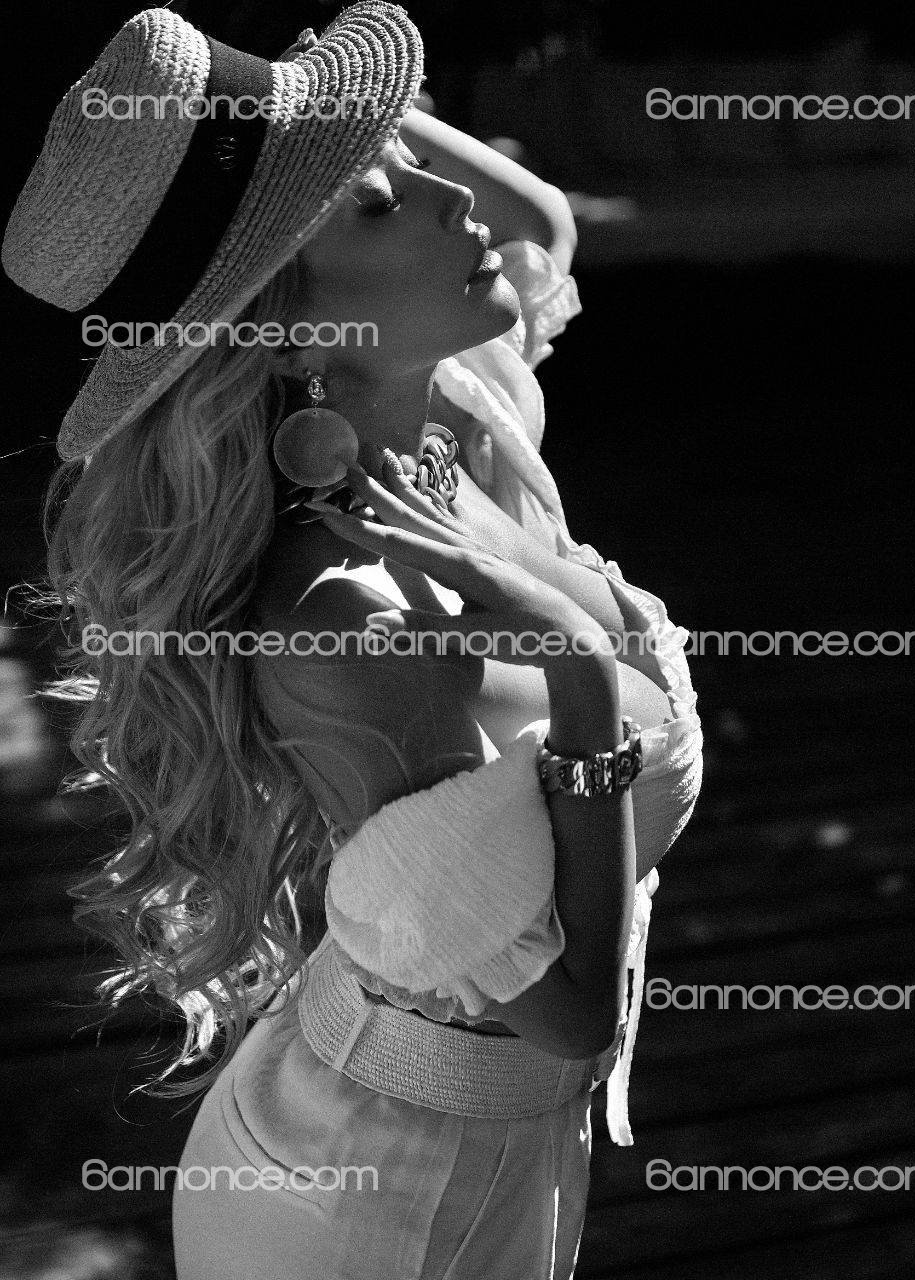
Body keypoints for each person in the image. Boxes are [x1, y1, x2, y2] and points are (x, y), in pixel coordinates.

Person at [3, 5, 702, 1277]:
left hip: (484, 1153)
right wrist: (579, 675)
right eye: (379, 204)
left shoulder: (462, 421)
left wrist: (317, 116)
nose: (453, 195)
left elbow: (539, 220)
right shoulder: (346, 616)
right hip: (373, 1202)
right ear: (293, 328)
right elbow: (570, 1015)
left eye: (406, 162)